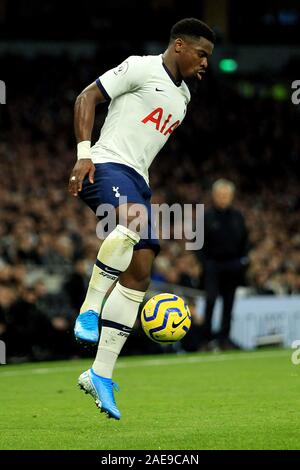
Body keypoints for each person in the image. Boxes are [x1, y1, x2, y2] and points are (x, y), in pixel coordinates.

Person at [68, 18, 215, 420]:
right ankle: (90, 310)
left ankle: (99, 373)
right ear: (179, 46)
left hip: (137, 179)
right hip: (105, 163)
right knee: (131, 221)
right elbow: (86, 98)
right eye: (201, 54)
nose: (206, 63)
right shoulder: (139, 66)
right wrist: (83, 153)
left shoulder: (184, 96)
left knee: (141, 271)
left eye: (209, 58)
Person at [199, 179, 249, 351]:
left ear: (231, 196)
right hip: (213, 265)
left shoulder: (238, 217)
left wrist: (242, 261)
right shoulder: (206, 217)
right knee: (210, 301)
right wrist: (205, 264)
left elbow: (245, 240)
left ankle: (224, 338)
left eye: (226, 195)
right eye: (220, 195)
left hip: (233, 265)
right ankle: (206, 339)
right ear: (214, 196)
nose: (223, 198)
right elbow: (198, 244)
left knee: (229, 302)